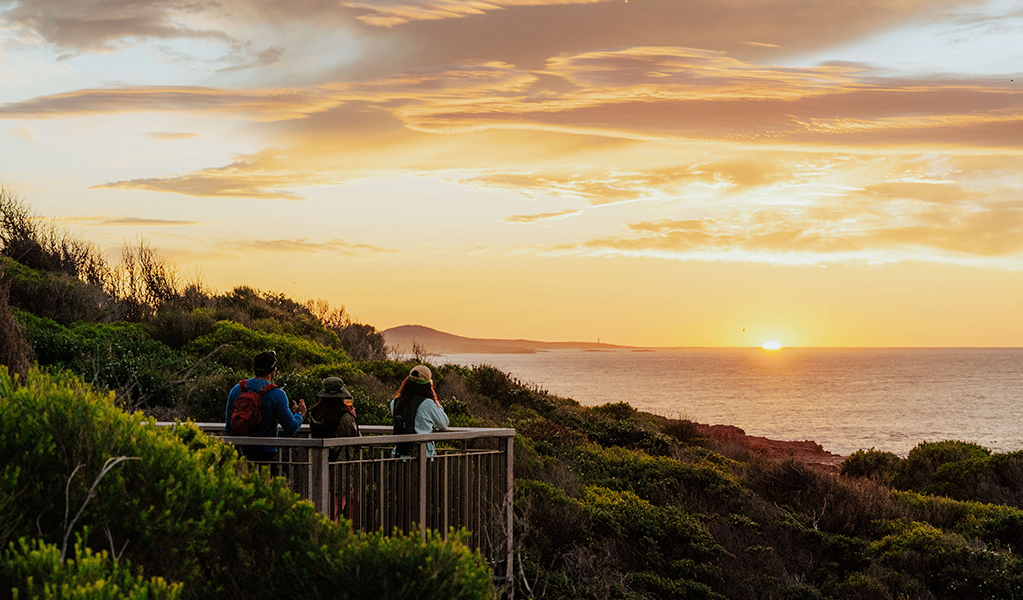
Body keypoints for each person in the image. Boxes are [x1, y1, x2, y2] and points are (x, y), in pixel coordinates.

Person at [225, 350, 307, 463]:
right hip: (265, 454)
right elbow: (291, 428)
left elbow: (228, 428)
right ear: (273, 371)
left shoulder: (237, 390)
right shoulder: (277, 394)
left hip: (240, 454)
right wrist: (299, 414)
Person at [390, 365, 448, 457]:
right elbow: (443, 424)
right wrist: (436, 402)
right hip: (422, 456)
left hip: (400, 455)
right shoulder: (428, 403)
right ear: (428, 385)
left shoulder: (395, 403)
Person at [308, 376, 361, 461]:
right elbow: (357, 439)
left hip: (317, 460)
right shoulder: (344, 416)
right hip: (338, 463)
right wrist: (352, 418)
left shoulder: (315, 413)